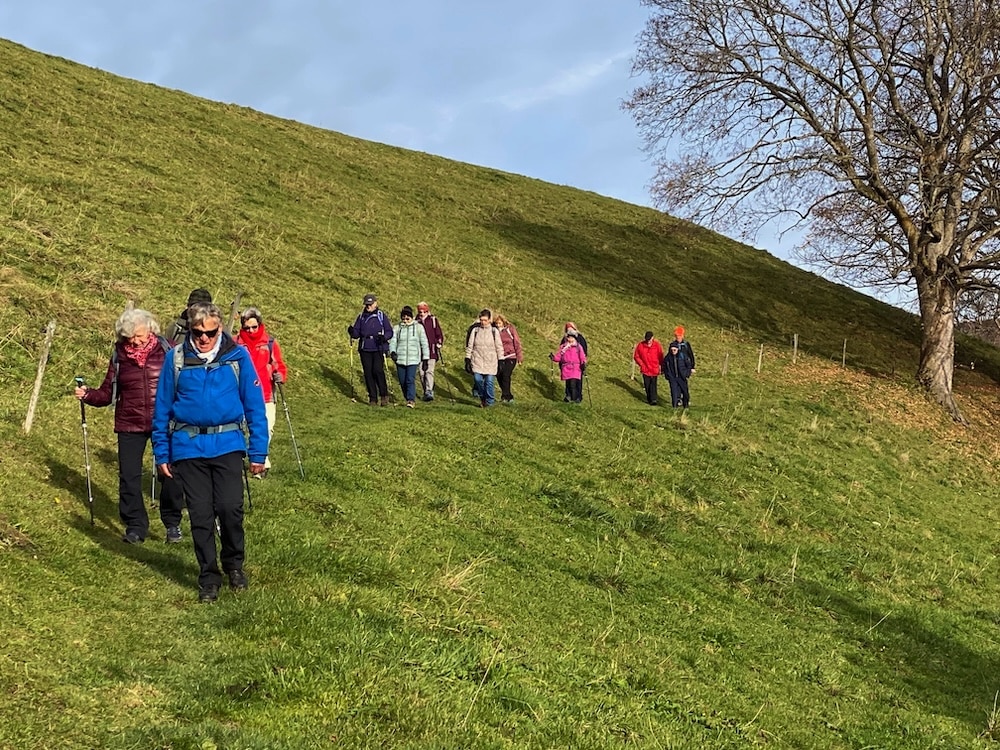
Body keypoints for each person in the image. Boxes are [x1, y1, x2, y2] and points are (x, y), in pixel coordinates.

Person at [152, 302, 268, 603]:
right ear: (190, 329)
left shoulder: (237, 357)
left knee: (230, 509)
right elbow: (162, 408)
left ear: (220, 329)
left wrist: (258, 452)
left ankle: (234, 564)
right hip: (188, 447)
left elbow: (254, 405)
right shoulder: (175, 359)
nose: (204, 338)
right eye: (198, 332)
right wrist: (161, 453)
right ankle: (208, 577)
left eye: (211, 332)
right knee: (201, 515)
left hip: (227, 444)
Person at [74, 308, 185, 545]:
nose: (135, 341)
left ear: (151, 330)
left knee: (172, 474)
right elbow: (107, 393)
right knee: (129, 477)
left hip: (165, 422)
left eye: (139, 335)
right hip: (129, 423)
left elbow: (185, 383)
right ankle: (135, 525)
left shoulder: (169, 349)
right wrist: (88, 395)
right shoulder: (119, 355)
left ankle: (172, 523)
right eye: (130, 337)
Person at [236, 307, 288, 476]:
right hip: (241, 394)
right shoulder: (236, 344)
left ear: (260, 325)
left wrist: (280, 374)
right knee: (242, 428)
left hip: (266, 393)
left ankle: (261, 462)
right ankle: (241, 459)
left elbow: (279, 364)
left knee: (267, 428)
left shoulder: (270, 343)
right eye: (247, 328)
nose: (250, 331)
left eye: (254, 327)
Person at [347, 294, 394, 406]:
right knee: (368, 373)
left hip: (378, 347)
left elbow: (389, 331)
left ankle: (383, 395)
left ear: (375, 303)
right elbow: (357, 334)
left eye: (370, 304)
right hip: (365, 348)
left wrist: (384, 337)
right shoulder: (361, 317)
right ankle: (373, 398)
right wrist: (352, 332)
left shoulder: (381, 315)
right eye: (367, 304)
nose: (368, 306)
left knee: (377, 370)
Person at [389, 306, 429, 408]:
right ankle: (407, 397)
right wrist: (392, 352)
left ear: (412, 318)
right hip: (400, 359)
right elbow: (393, 341)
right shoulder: (397, 328)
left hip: (413, 359)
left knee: (409, 379)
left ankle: (411, 400)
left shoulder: (419, 328)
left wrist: (426, 358)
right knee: (402, 381)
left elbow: (424, 343)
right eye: (403, 318)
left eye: (408, 318)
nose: (405, 321)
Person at [464, 309, 504, 407]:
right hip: (477, 360)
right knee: (478, 380)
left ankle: (490, 401)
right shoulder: (475, 331)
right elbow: (470, 346)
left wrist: (501, 360)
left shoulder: (494, 332)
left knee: (489, 381)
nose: (483, 322)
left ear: (489, 320)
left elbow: (499, 347)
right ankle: (483, 397)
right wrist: (467, 359)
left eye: (485, 320)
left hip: (491, 361)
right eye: (481, 320)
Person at [415, 301, 444, 401]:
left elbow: (438, 333)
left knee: (429, 371)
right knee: (422, 372)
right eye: (420, 312)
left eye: (424, 311)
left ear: (428, 311)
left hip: (431, 350)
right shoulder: (416, 321)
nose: (422, 314)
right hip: (419, 351)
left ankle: (429, 390)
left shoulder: (433, 320)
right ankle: (426, 390)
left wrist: (439, 343)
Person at [493, 314, 524, 403]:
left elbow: (517, 342)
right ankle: (508, 396)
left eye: (499, 323)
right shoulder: (494, 331)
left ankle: (505, 396)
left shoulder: (510, 329)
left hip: (511, 356)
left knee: (506, 375)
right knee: (498, 375)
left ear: (503, 322)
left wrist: (519, 356)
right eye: (496, 323)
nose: (498, 325)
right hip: (499, 357)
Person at [550, 331, 587, 403]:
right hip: (566, 368)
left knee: (573, 383)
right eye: (569, 337)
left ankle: (573, 398)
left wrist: (583, 364)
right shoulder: (563, 347)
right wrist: (553, 358)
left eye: (571, 337)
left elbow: (582, 357)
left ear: (574, 338)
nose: (570, 339)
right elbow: (559, 357)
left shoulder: (578, 347)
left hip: (576, 367)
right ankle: (569, 397)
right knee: (568, 383)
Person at [633, 331, 665, 406]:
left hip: (654, 369)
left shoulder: (657, 345)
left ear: (652, 338)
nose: (648, 342)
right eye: (647, 340)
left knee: (653, 385)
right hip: (645, 369)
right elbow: (636, 356)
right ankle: (649, 398)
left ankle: (654, 399)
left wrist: (662, 367)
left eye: (649, 340)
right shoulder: (640, 345)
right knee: (647, 385)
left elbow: (660, 356)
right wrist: (642, 365)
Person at [559, 322, 589, 401]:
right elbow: (561, 351)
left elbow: (584, 351)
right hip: (567, 365)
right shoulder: (565, 340)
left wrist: (583, 362)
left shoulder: (580, 338)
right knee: (568, 381)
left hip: (577, 365)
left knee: (577, 381)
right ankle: (568, 396)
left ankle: (578, 397)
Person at [662, 338, 694, 408]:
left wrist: (687, 373)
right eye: (672, 350)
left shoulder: (682, 356)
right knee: (674, 393)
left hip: (682, 377)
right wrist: (667, 375)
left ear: (677, 349)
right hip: (672, 378)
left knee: (685, 392)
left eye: (674, 350)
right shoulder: (667, 358)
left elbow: (689, 365)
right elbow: (664, 366)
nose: (673, 351)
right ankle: (674, 407)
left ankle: (686, 405)